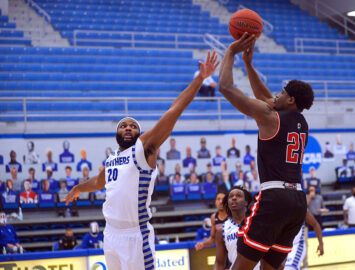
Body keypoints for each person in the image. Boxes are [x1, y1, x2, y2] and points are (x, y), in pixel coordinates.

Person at [62, 50, 219, 270]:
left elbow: (174, 111)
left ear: (139, 133)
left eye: (133, 126)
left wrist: (199, 79)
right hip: (110, 233)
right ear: (117, 134)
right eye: (123, 125)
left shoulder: (143, 149)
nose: (128, 127)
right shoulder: (112, 158)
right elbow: (99, 182)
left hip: (135, 234)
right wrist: (79, 187)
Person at [219, 34, 313, 270]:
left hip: (274, 198)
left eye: (281, 93)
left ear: (290, 99)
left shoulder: (272, 118)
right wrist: (249, 65)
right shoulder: (301, 122)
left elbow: (226, 87)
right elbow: (266, 98)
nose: (276, 96)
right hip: (297, 201)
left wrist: (230, 52)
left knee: (241, 266)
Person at [214, 187, 257, 270]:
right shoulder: (222, 230)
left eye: (239, 196)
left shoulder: (257, 224)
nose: (234, 198)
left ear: (246, 202)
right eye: (231, 196)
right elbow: (219, 263)